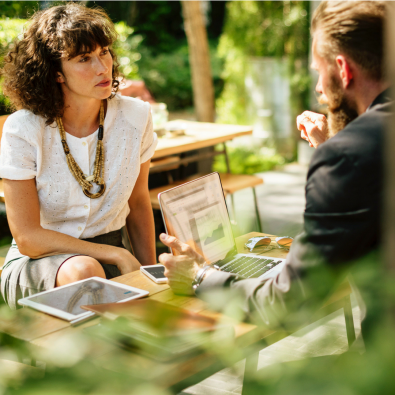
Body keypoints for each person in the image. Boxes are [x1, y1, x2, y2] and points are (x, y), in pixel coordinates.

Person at [159, 1, 391, 327]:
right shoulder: (356, 153)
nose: (319, 89)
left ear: (343, 69)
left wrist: (200, 277)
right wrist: (338, 148)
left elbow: (289, 303)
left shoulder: (346, 157)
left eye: (318, 72)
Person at [0, 3, 157, 309]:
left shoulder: (136, 116)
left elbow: (138, 202)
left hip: (115, 255)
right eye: (84, 59)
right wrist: (116, 254)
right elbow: (28, 237)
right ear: (56, 73)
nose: (103, 67)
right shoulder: (24, 128)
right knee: (86, 271)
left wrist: (151, 275)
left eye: (104, 52)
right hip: (42, 264)